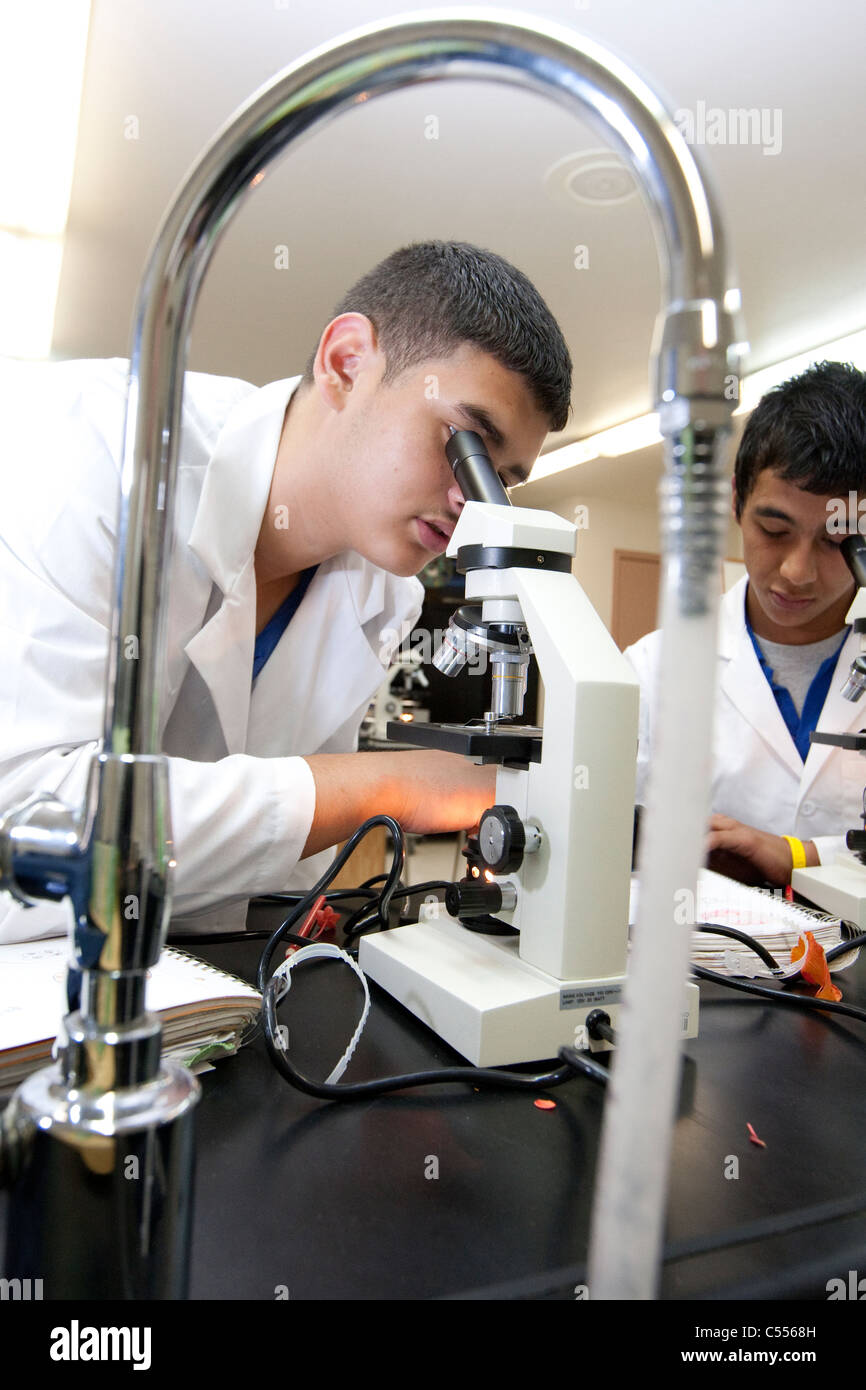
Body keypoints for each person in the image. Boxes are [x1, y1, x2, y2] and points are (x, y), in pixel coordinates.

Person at [0, 241, 571, 941]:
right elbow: (28, 823)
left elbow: (278, 867)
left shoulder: (387, 594)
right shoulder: (99, 454)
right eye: (465, 444)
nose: (469, 501)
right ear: (346, 364)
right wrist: (395, 785)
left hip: (193, 984)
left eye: (500, 479)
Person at [625, 360, 866, 888]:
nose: (796, 572)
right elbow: (610, 835)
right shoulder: (652, 670)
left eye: (835, 541)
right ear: (736, 500)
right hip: (702, 962)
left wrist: (799, 855)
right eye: (774, 528)